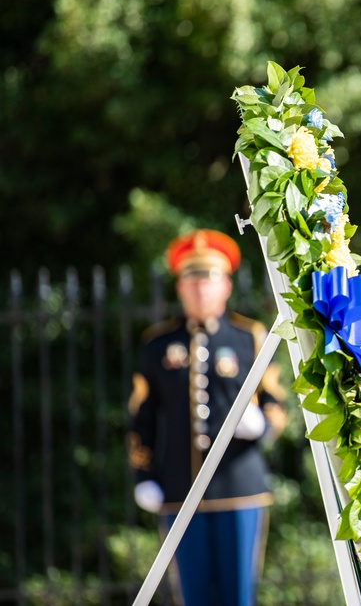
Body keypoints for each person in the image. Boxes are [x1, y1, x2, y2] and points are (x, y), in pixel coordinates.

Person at [126, 229, 287, 606]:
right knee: (193, 596)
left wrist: (262, 426)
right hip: (179, 489)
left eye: (208, 277)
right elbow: (141, 417)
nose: (200, 287)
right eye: (191, 278)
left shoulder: (251, 336)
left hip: (240, 489)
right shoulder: (157, 344)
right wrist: (143, 475)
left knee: (238, 596)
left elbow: (277, 405)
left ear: (226, 285)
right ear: (180, 288)